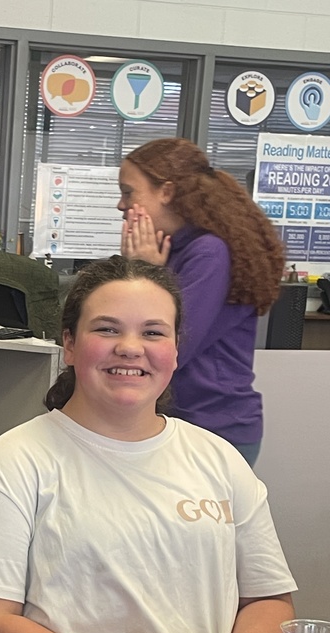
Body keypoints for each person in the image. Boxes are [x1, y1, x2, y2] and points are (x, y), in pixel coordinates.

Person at [0, 256, 296, 633]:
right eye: (107, 329)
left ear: (175, 350)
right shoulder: (12, 464)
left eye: (153, 332)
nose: (129, 348)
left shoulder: (219, 459)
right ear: (69, 344)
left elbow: (269, 600)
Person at [118, 138, 284, 466]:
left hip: (212, 428)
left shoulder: (209, 253)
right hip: (184, 422)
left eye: (128, 193)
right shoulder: (174, 251)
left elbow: (169, 346)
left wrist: (144, 273)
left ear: (166, 192)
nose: (121, 206)